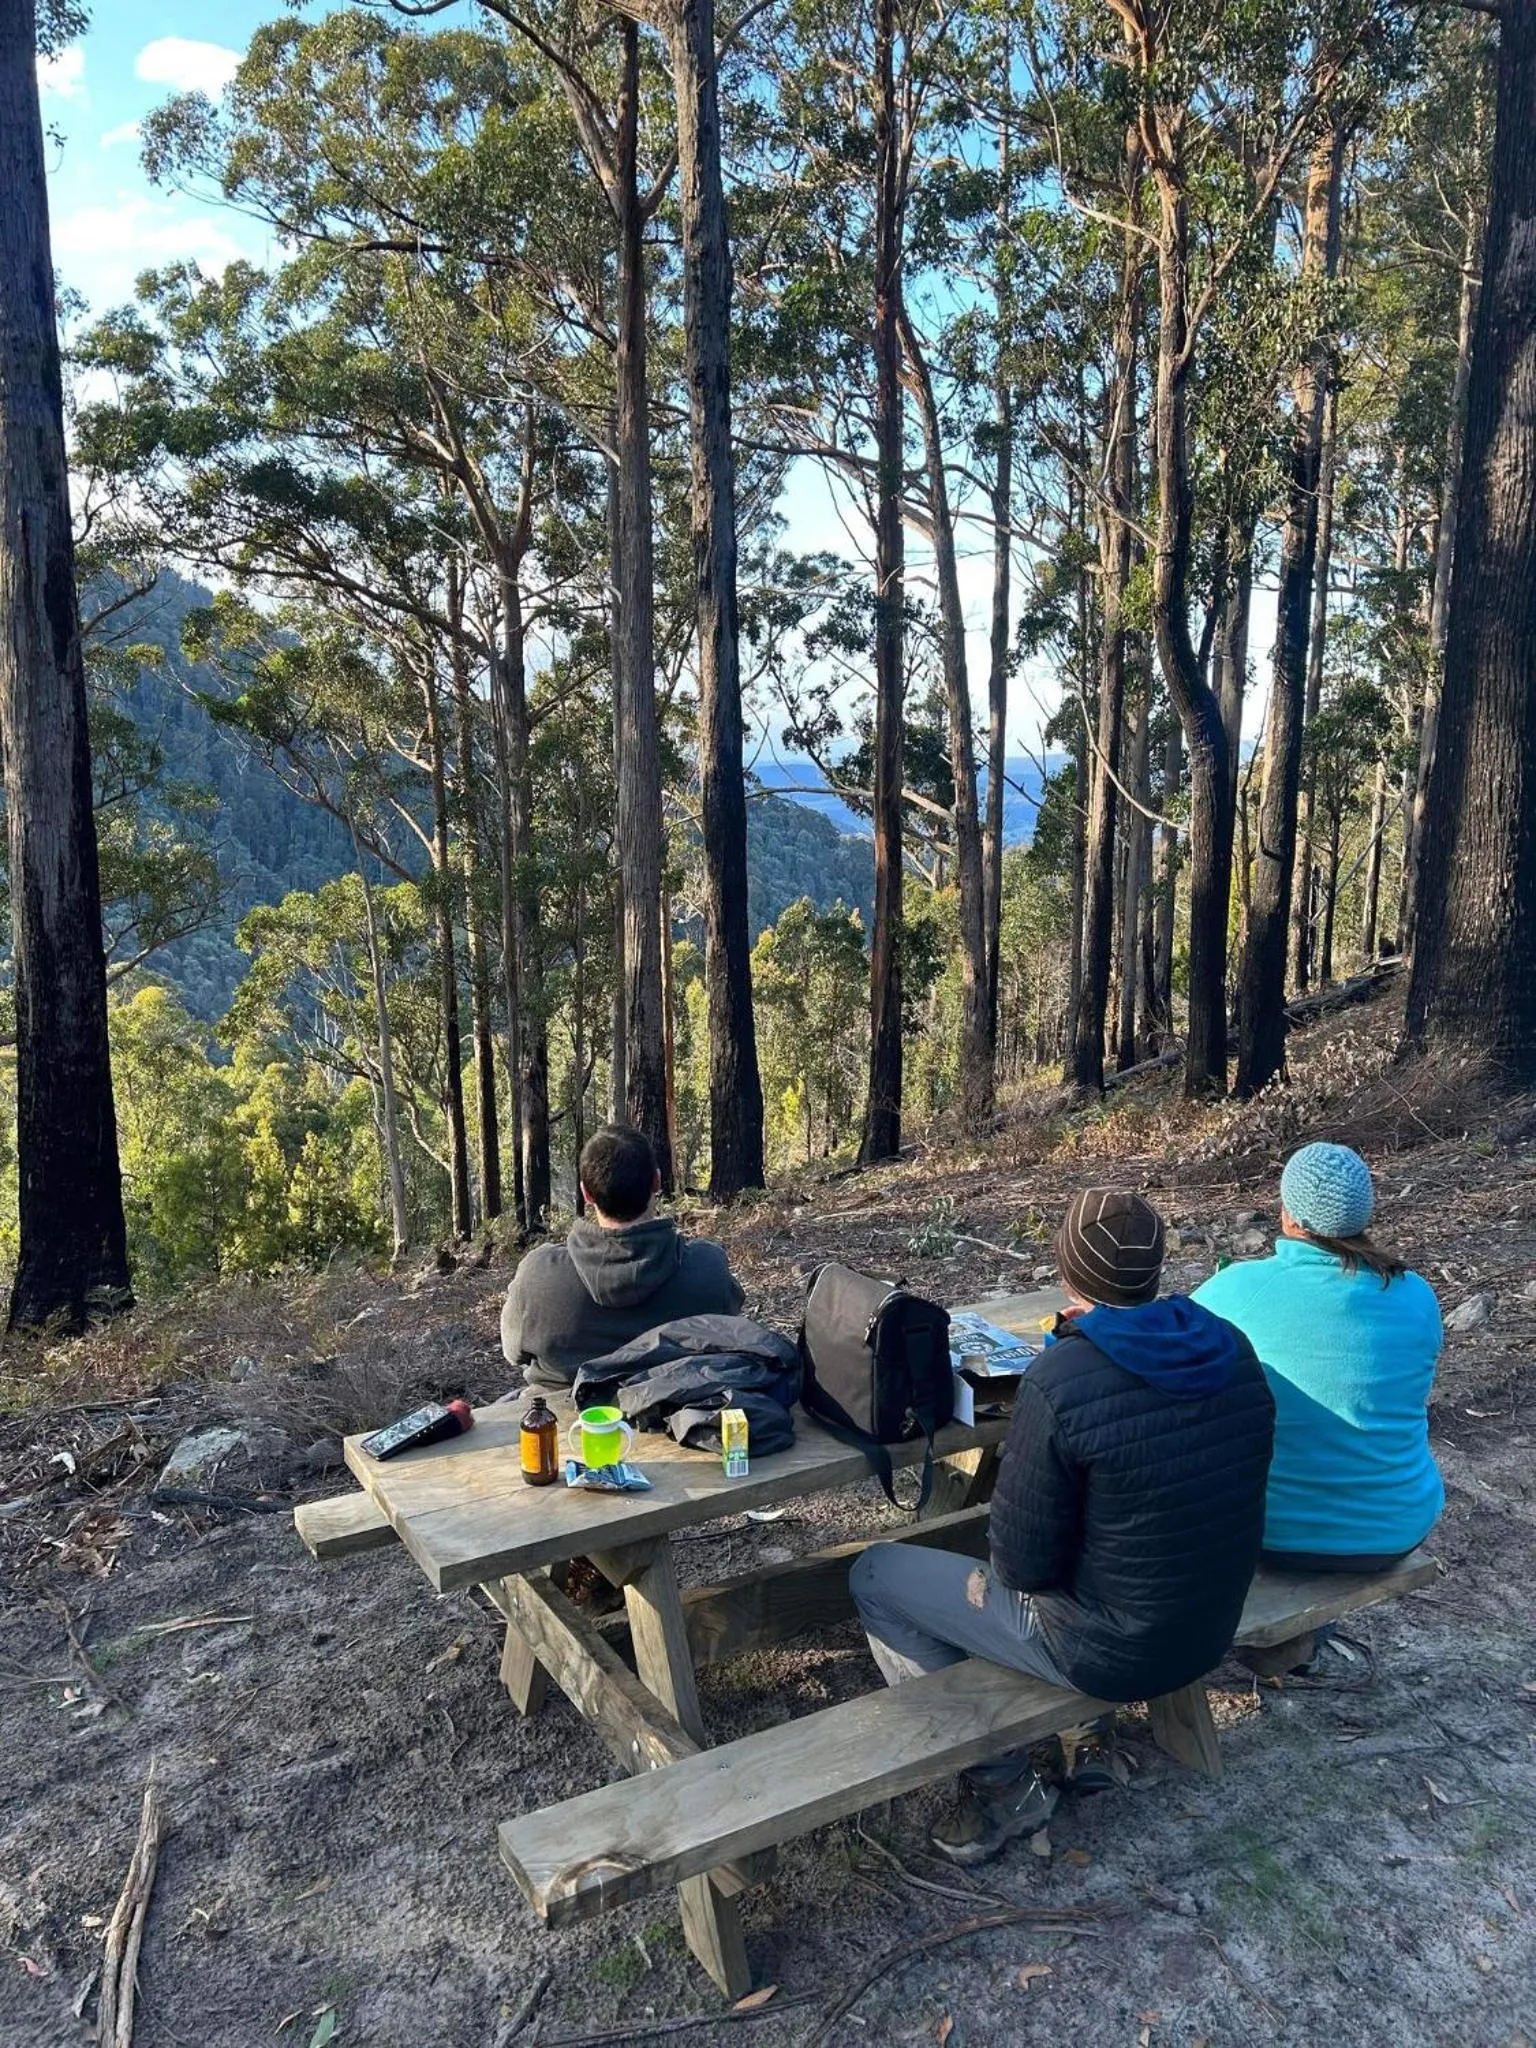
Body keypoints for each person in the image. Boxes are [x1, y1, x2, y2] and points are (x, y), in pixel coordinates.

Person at [850, 1188, 1275, 1866]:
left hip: (1108, 1650)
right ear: (1157, 1269)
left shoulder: (1062, 1377)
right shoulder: (1233, 1347)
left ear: (1069, 1273)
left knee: (874, 1572)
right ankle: (1091, 1742)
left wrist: (1061, 1379)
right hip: (1208, 1622)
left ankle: (1003, 1786)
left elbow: (1021, 1570)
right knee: (1109, 1543)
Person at [1194, 1141, 1444, 1573]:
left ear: (1290, 1214)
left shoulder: (1237, 1289)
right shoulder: (1417, 1294)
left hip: (1272, 1531)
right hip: (1398, 1526)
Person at [501, 1124, 744, 1387]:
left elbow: (513, 1353)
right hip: (682, 1421)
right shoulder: (708, 1268)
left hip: (565, 1423)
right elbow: (732, 1340)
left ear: (586, 1193)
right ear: (657, 1181)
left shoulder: (538, 1275)